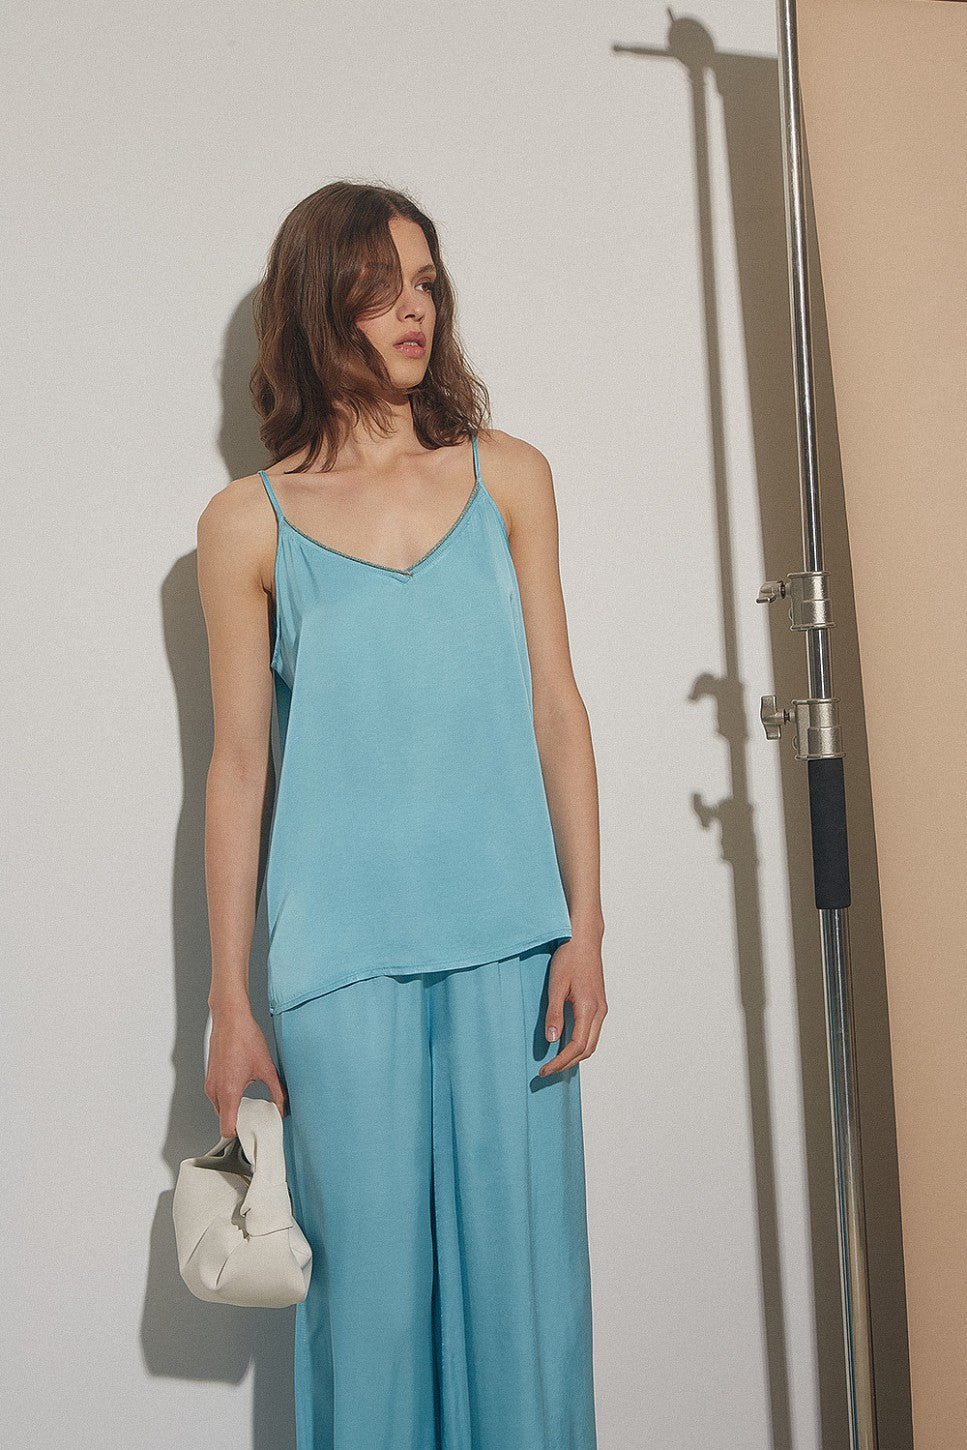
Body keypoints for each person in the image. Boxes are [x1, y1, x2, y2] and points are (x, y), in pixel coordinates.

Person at [196, 180, 607, 1449]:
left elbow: (556, 709)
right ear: (322, 305)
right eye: (382, 287)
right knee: (366, 1326)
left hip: (513, 949)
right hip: (339, 966)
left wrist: (586, 927)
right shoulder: (245, 523)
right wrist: (227, 1000)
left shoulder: (510, 477)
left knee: (524, 1318)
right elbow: (239, 769)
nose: (414, 309)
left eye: (426, 283)